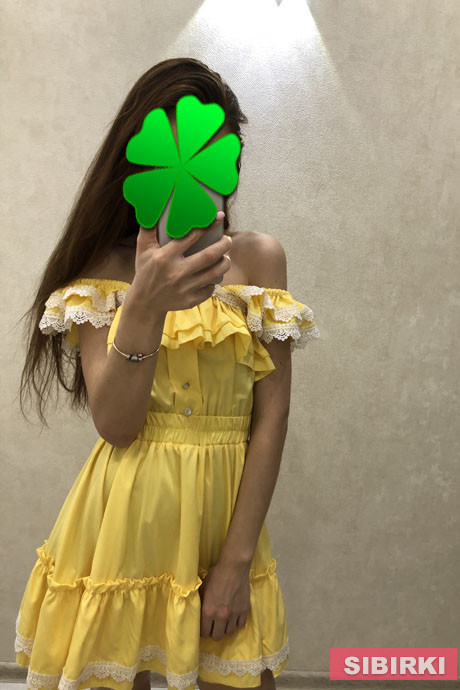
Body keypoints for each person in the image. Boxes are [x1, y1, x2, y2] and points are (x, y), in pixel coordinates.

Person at [15, 57, 320, 690]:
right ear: (142, 162)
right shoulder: (103, 269)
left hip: (226, 526)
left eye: (216, 154)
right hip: (122, 523)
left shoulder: (259, 260)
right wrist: (144, 306)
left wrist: (236, 561)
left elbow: (273, 416)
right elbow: (117, 426)